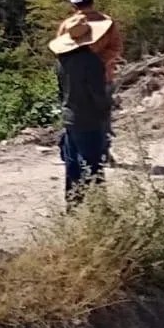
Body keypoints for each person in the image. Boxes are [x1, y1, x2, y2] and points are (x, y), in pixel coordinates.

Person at [51, 15, 115, 203]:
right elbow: (97, 93)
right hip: (89, 119)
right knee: (93, 165)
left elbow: (61, 91)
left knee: (73, 166)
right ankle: (98, 208)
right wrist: (105, 110)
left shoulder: (61, 61)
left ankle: (73, 206)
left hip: (69, 116)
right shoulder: (92, 61)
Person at [60, 0, 122, 82]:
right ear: (92, 2)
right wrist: (98, 62)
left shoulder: (68, 25)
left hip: (76, 79)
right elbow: (116, 47)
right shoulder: (107, 21)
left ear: (74, 6)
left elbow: (60, 51)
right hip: (103, 77)